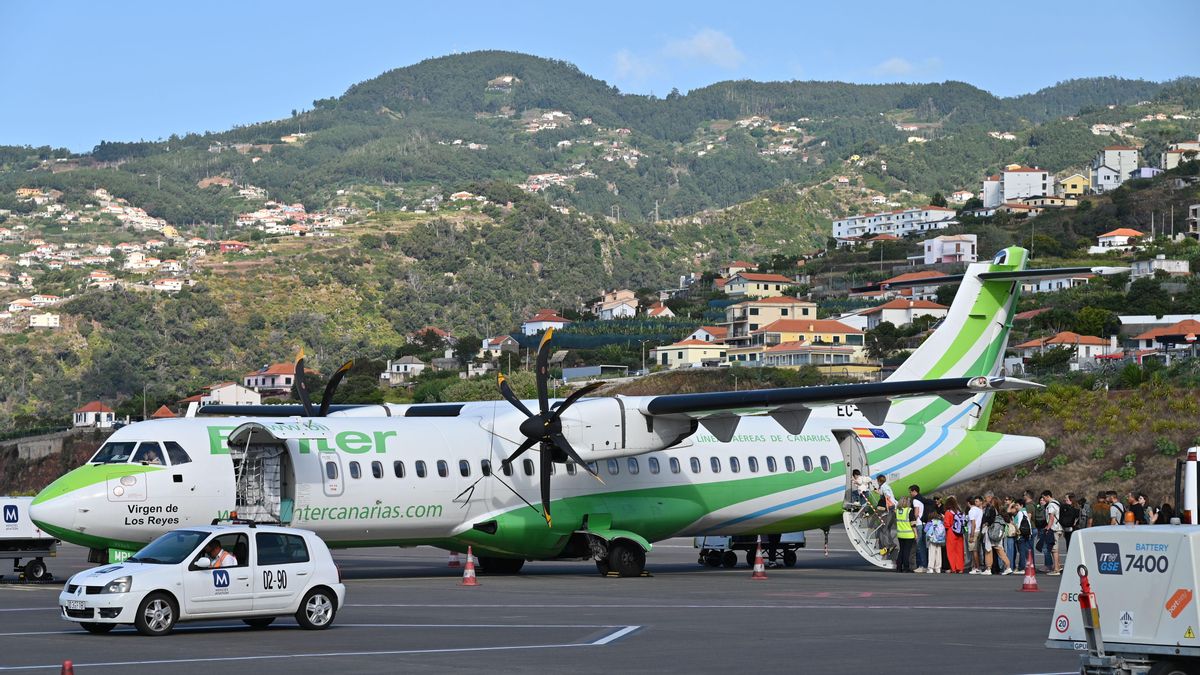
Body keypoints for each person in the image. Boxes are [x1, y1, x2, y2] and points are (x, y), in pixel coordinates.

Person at [909, 484, 928, 573]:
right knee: (923, 545)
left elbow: (916, 513)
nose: (910, 493)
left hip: (919, 524)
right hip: (923, 523)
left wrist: (914, 521)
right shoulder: (921, 499)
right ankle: (924, 565)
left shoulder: (916, 500)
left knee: (920, 546)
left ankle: (922, 565)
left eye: (910, 492)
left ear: (914, 491)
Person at [943, 496, 965, 573]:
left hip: (951, 532)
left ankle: (954, 568)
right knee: (959, 551)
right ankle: (960, 568)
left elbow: (946, 524)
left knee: (951, 551)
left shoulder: (948, 512)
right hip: (960, 533)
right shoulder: (959, 511)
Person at [1042, 490, 1062, 575]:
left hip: (1054, 528)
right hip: (1059, 527)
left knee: (1054, 549)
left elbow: (1051, 518)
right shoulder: (1057, 502)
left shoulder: (1051, 505)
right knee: (1055, 548)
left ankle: (1056, 569)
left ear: (1047, 496)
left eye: (1043, 497)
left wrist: (1048, 528)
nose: (1043, 499)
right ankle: (1058, 566)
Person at [895, 497, 917, 573]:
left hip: (900, 534)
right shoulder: (909, 510)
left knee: (901, 550)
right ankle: (906, 568)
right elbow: (913, 523)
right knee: (907, 551)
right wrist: (916, 534)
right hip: (908, 534)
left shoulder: (897, 511)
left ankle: (898, 567)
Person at [1013, 498, 1032, 572]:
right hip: (1026, 534)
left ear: (1021, 505)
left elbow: (1019, 524)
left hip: (1021, 535)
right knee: (1025, 551)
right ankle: (1026, 567)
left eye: (1017, 505)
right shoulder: (1025, 512)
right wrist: (1030, 533)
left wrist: (1017, 533)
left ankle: (1021, 568)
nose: (1016, 507)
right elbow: (1029, 524)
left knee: (1022, 552)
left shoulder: (1020, 513)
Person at [924, 508, 945, 574]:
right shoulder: (940, 522)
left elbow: (925, 530)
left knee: (931, 553)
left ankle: (931, 568)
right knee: (938, 553)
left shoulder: (930, 522)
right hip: (939, 539)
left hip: (932, 539)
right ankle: (938, 568)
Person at [967, 496, 984, 574]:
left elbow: (973, 524)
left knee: (974, 551)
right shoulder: (979, 510)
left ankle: (976, 567)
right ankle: (975, 566)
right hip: (978, 530)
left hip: (973, 531)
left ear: (968, 503)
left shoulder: (971, 511)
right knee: (976, 550)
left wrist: (971, 535)